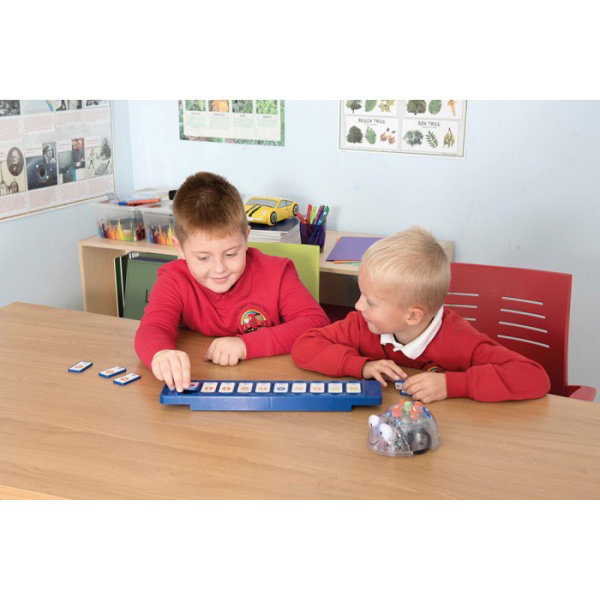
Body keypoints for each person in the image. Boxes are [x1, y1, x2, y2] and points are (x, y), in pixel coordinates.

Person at [291, 226, 551, 403]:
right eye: (361, 295)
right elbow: (305, 346)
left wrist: (451, 385)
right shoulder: (361, 324)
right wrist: (362, 366)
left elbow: (534, 377)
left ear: (413, 316)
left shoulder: (460, 339)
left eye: (370, 301)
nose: (358, 306)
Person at [135, 171, 329, 392]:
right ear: (179, 248)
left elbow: (316, 322)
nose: (219, 269)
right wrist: (160, 353)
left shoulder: (277, 273)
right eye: (203, 258)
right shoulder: (174, 280)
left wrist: (246, 345)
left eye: (230, 254)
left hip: (266, 384)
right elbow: (153, 328)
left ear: (246, 238)